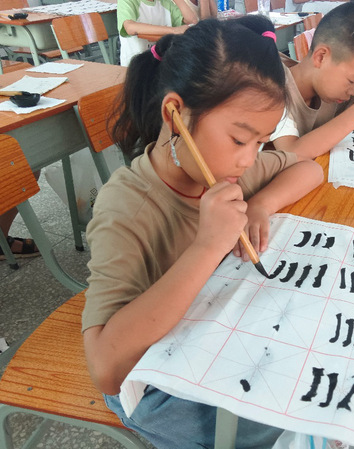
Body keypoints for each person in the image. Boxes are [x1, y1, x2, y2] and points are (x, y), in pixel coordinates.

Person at [81, 16, 324, 449]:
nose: (249, 160)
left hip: (210, 339)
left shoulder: (229, 173)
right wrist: (208, 246)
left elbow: (308, 169)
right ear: (174, 115)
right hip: (153, 384)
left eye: (262, 142)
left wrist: (261, 204)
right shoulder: (126, 206)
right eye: (239, 140)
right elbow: (107, 369)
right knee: (293, 420)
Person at [270, 2, 354, 160]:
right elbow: (291, 153)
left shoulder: (334, 83)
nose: (353, 92)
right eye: (352, 81)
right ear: (321, 57)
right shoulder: (272, 87)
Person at [117, 0, 197, 66]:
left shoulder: (165, 3)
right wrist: (173, 30)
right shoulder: (127, 1)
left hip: (161, 65)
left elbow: (191, 21)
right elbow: (130, 28)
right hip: (135, 67)